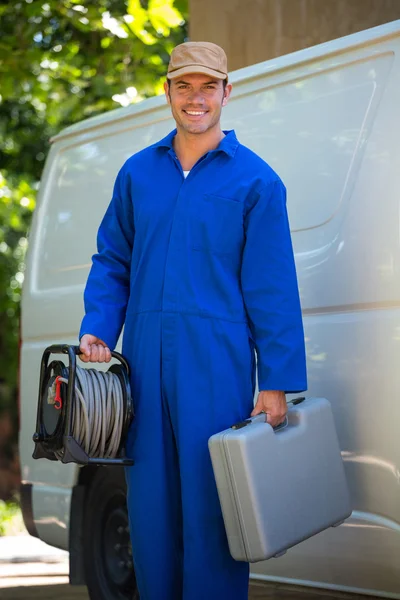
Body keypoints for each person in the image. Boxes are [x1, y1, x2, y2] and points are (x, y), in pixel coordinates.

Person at [79, 41, 307, 600]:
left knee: (212, 513)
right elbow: (113, 259)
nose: (196, 98)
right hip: (144, 367)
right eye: (184, 86)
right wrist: (98, 327)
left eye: (208, 86)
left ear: (228, 92)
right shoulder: (138, 174)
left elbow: (273, 289)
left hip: (217, 364)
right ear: (168, 92)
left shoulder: (257, 182)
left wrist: (275, 380)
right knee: (151, 512)